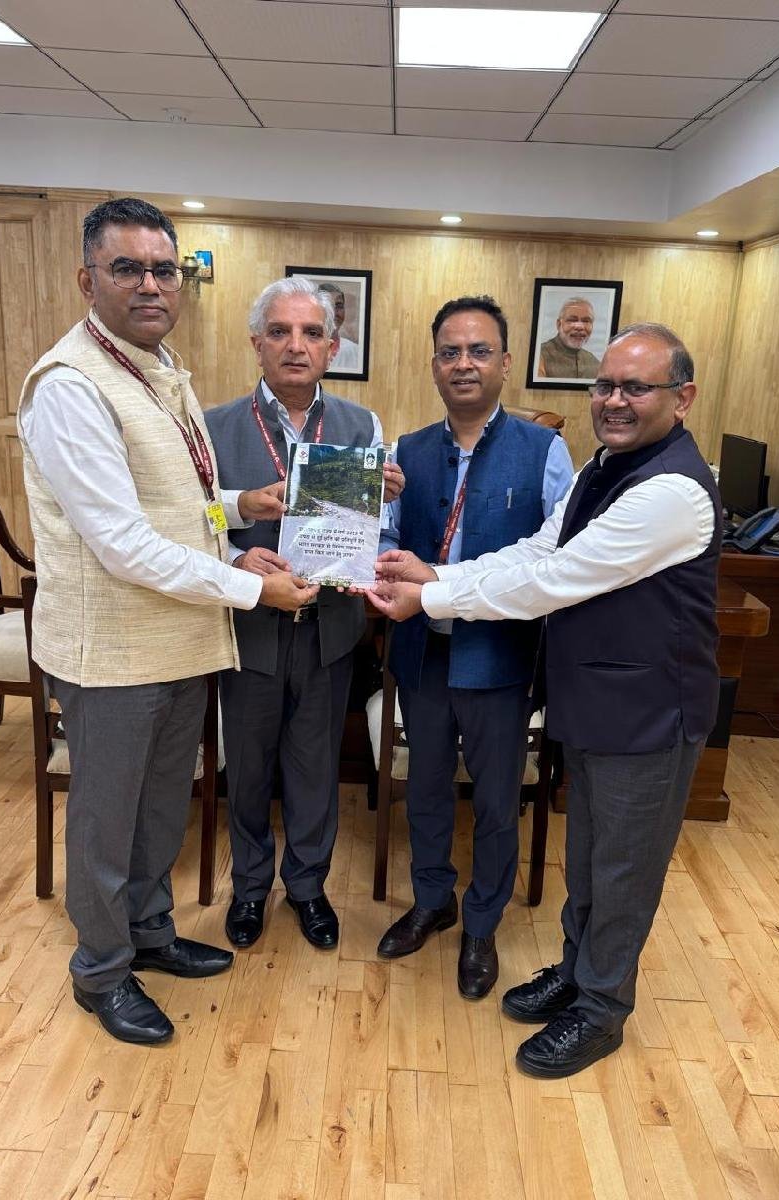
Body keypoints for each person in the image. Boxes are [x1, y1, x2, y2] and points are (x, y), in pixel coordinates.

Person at [369, 324, 721, 1077]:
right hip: (593, 703)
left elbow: (556, 581)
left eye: (637, 388)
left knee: (623, 870)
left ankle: (601, 1010)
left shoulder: (672, 490)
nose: (614, 401)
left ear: (682, 398)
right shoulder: (603, 467)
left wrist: (434, 596)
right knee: (589, 858)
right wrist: (437, 575)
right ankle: (576, 973)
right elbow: (538, 551)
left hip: (651, 715)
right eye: (605, 385)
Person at [18, 198, 317, 1045]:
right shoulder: (71, 387)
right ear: (88, 281)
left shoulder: (157, 370)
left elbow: (176, 503)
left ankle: (149, 933)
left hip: (177, 640)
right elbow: (122, 543)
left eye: (163, 269)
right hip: (111, 651)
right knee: (106, 820)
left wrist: (239, 505)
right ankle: (101, 970)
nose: (151, 285)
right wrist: (249, 589)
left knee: (159, 809)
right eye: (128, 268)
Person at [375, 296, 573, 999]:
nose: (464, 363)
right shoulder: (405, 451)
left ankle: (482, 923)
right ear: (434, 365)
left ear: (506, 363)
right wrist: (376, 547)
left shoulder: (544, 452)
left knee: (495, 800)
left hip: (500, 657)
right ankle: (432, 901)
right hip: (423, 650)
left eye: (479, 351)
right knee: (425, 789)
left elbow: (557, 555)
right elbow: (383, 536)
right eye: (450, 352)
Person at [205, 277, 403, 953]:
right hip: (250, 627)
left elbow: (377, 529)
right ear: (257, 343)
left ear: (332, 348)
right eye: (280, 332)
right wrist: (238, 557)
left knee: (315, 767)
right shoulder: (212, 427)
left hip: (329, 628)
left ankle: (308, 887)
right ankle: (250, 888)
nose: (296, 346)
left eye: (311, 333)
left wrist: (384, 506)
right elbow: (193, 522)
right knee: (249, 768)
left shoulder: (362, 426)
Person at [537, 297, 600, 379]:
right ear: (559, 324)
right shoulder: (539, 355)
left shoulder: (594, 362)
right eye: (572, 320)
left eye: (586, 321)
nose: (579, 326)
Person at [319, 282, 359, 370]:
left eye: (339, 306)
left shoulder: (355, 352)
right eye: (328, 306)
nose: (334, 312)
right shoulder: (302, 349)